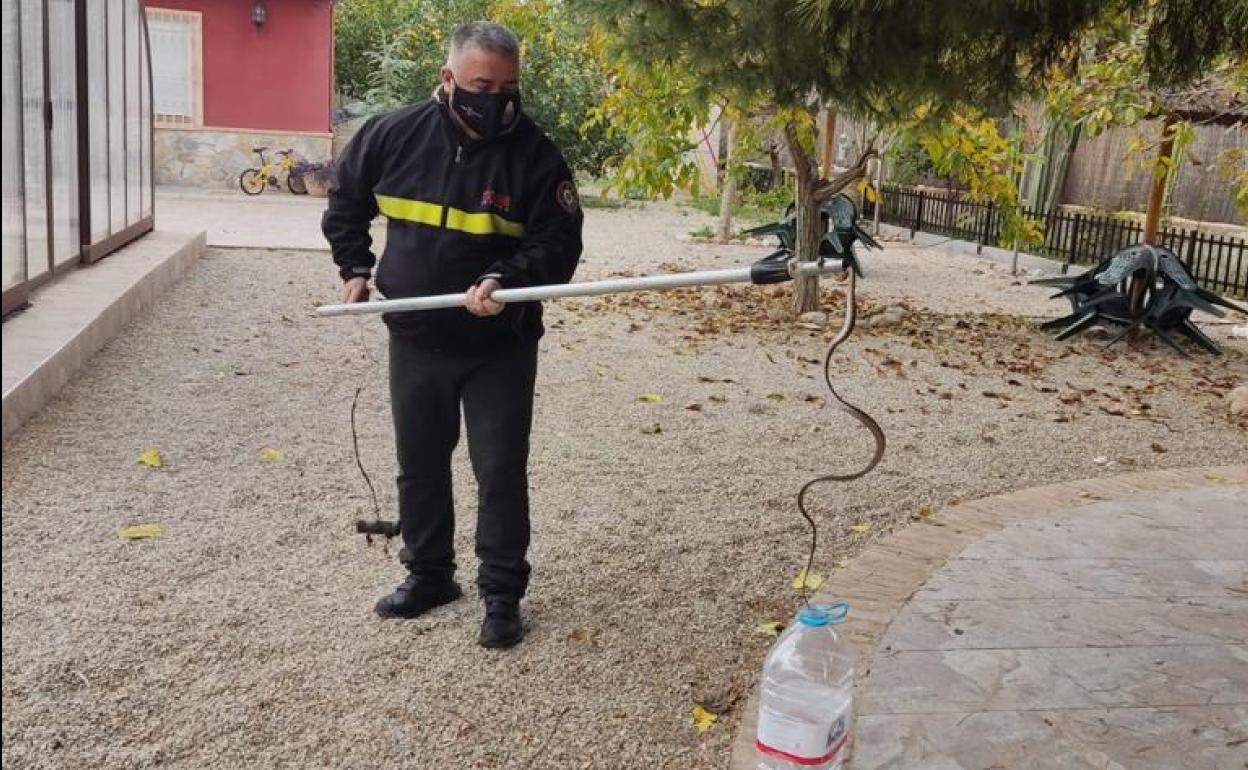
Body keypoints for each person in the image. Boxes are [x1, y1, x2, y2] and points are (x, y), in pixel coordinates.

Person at [322, 21, 583, 648]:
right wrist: (355, 266)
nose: (495, 99)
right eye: (480, 85)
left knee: (498, 470)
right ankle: (431, 574)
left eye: (507, 86)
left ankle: (501, 591)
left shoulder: (536, 155)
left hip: (500, 345)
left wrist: (506, 277)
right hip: (414, 336)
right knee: (420, 465)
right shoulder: (392, 136)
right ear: (448, 80)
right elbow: (346, 202)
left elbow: (559, 243)